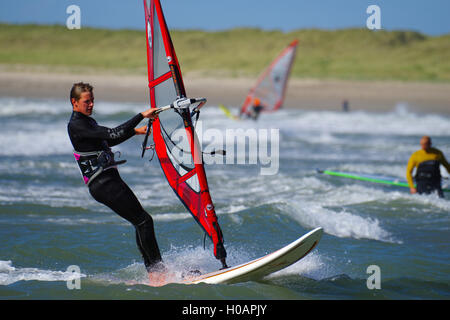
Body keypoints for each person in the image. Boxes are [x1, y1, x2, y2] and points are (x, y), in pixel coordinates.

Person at [67, 82, 165, 282]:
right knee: (144, 221)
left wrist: (136, 131)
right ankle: (158, 273)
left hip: (108, 180)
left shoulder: (87, 122)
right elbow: (112, 133)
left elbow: (108, 141)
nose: (91, 104)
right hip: (103, 183)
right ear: (74, 102)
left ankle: (154, 273)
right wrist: (141, 115)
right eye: (87, 101)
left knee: (140, 222)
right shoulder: (76, 125)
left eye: (92, 100)